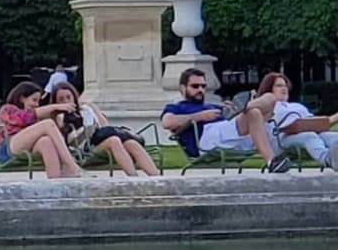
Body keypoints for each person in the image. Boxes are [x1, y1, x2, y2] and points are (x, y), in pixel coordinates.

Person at [161, 68, 290, 173]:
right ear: (183, 88)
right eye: (195, 86)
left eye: (203, 86)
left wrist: (229, 110)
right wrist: (200, 116)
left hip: (232, 134)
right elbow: (167, 123)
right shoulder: (176, 107)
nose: (200, 89)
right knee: (253, 112)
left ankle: (244, 107)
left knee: (270, 98)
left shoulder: (214, 105)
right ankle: (271, 160)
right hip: (207, 138)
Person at [50, 81, 159, 177]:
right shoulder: (58, 117)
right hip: (83, 152)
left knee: (131, 143)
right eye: (61, 99)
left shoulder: (86, 109)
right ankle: (133, 177)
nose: (66, 101)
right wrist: (63, 112)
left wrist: (92, 109)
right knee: (114, 141)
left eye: (69, 97)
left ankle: (156, 178)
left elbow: (105, 127)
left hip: (98, 142)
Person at [0, 82, 83, 179]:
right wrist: (55, 106)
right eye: (34, 100)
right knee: (47, 124)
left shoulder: (34, 117)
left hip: (24, 146)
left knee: (46, 142)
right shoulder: (7, 109)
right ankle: (71, 166)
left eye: (38, 101)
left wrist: (56, 117)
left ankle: (55, 181)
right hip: (8, 147)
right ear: (22, 98)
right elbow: (24, 117)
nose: (36, 104)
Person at [258, 72, 338, 169]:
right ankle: (327, 159)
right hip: (280, 139)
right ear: (269, 89)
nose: (284, 88)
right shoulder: (268, 107)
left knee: (329, 135)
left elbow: (315, 123)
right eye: (279, 86)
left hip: (304, 132)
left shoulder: (297, 106)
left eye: (285, 86)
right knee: (309, 135)